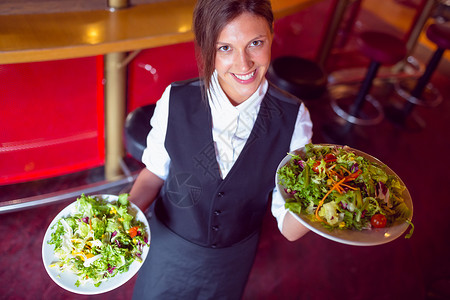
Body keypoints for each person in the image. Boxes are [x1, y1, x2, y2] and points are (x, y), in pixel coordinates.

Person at [130, 0, 312, 298]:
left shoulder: (294, 118)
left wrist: (329, 208)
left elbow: (290, 228)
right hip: (167, 247)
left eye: (255, 43)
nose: (244, 64)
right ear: (205, 47)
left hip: (230, 260)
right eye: (225, 48)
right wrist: (119, 219)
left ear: (272, 33)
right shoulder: (175, 99)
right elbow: (154, 173)